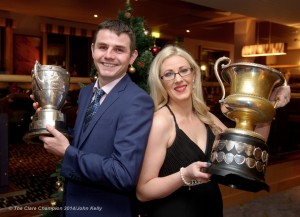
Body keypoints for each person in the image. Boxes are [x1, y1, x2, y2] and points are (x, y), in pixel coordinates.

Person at [136, 45, 291, 217]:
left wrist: (268, 107)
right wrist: (185, 175)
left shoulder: (206, 117)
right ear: (161, 82)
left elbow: (248, 151)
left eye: (183, 71)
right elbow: (143, 191)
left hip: (211, 209)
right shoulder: (160, 122)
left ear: (194, 75)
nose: (178, 79)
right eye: (169, 74)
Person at [34, 20, 154, 217]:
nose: (108, 55)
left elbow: (122, 174)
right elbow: (85, 142)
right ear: (92, 49)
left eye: (119, 50)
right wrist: (48, 117)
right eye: (103, 47)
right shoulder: (87, 93)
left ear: (132, 56)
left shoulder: (138, 101)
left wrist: (67, 152)